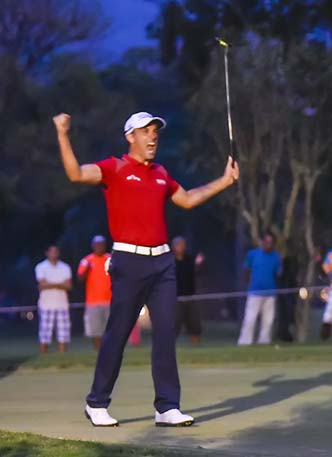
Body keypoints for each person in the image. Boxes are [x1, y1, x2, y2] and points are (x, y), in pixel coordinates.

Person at [53, 111, 239, 427]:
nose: (153, 137)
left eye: (155, 131)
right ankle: (96, 403)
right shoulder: (114, 168)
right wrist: (62, 133)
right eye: (145, 131)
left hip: (163, 262)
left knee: (166, 333)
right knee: (118, 333)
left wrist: (225, 180)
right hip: (129, 261)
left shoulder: (161, 174)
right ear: (131, 137)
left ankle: (167, 407)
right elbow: (75, 174)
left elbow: (190, 199)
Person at [238, 231, 282, 346]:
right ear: (262, 242)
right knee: (250, 319)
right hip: (255, 292)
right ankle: (245, 342)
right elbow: (247, 269)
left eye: (271, 242)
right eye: (266, 242)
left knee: (268, 321)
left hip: (270, 293)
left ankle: (264, 342)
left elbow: (278, 274)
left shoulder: (276, 257)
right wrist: (248, 283)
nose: (268, 244)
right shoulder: (253, 254)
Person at [35, 245, 72, 353]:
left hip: (62, 305)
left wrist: (49, 284)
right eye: (52, 251)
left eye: (56, 251)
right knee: (45, 334)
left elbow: (68, 286)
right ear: (47, 253)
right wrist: (60, 284)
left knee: (63, 334)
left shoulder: (65, 267)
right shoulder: (40, 267)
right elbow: (42, 284)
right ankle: (43, 358)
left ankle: (62, 359)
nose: (54, 253)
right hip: (46, 305)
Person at [77, 235, 112, 350]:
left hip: (110, 300)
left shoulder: (110, 259)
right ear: (93, 246)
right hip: (93, 301)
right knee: (96, 331)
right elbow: (80, 279)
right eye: (97, 244)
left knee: (110, 329)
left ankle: (109, 351)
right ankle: (98, 352)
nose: (99, 247)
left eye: (101, 244)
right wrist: (88, 268)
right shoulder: (86, 260)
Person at [172, 236, 204, 345]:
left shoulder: (190, 260)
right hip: (176, 298)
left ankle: (196, 346)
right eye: (179, 245)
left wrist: (199, 265)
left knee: (194, 324)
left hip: (190, 296)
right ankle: (170, 348)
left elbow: (196, 273)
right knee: (175, 324)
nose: (181, 247)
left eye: (183, 245)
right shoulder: (170, 261)